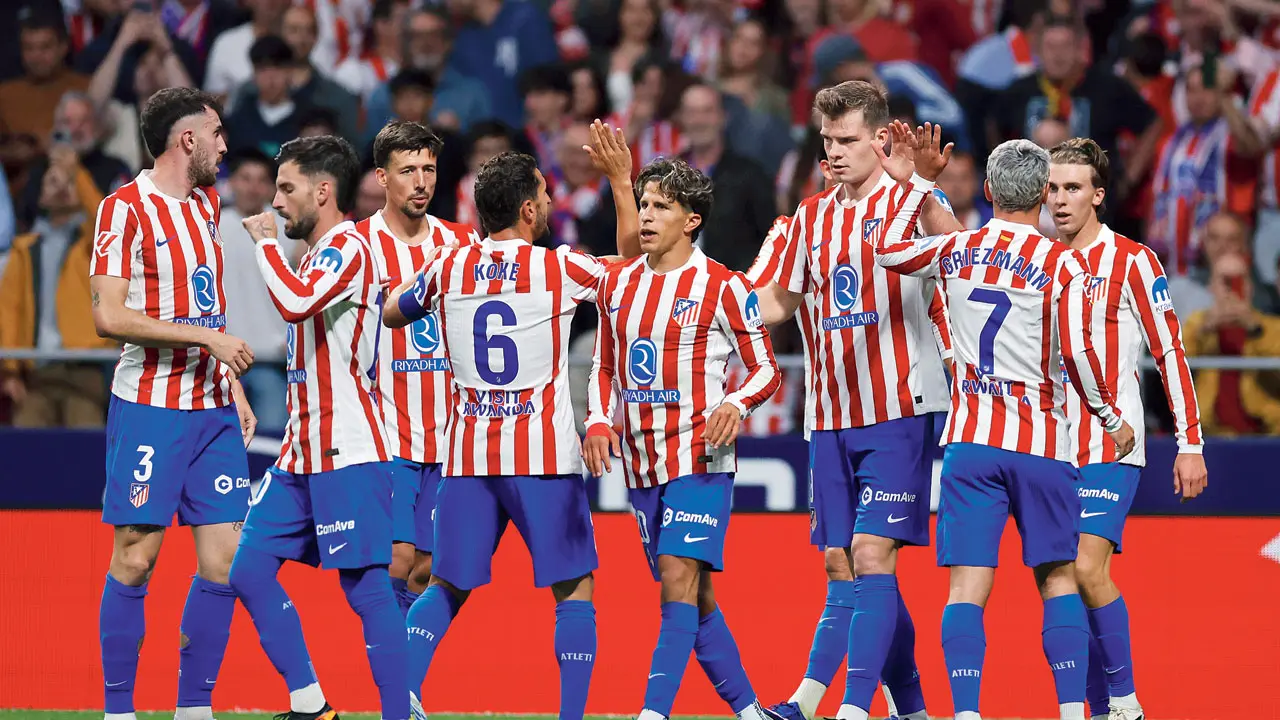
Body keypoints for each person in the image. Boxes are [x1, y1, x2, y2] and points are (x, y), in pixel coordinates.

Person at [876, 131, 1135, 720]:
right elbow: (1079, 354)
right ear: (1044, 194)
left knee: (966, 588)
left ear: (989, 190)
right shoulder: (1064, 263)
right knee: (1058, 579)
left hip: (970, 443)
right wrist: (1111, 417)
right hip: (1041, 442)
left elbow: (888, 250)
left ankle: (967, 713)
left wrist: (918, 181)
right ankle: (1071, 712)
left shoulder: (956, 248)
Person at [383, 145, 640, 720]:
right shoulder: (560, 267)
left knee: (445, 586)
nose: (548, 203)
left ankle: (401, 701)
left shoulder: (448, 267)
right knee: (574, 589)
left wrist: (427, 288)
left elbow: (395, 311)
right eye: (544, 195)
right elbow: (632, 266)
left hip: (467, 456)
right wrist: (621, 183)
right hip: (542, 458)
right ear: (527, 209)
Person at [750, 80, 959, 720]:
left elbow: (966, 260)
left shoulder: (914, 201)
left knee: (871, 556)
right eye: (827, 140)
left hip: (898, 408)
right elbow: (777, 301)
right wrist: (710, 314)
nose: (834, 152)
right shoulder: (810, 216)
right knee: (846, 567)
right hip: (828, 415)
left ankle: (842, 707)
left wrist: (922, 186)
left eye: (846, 140)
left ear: (881, 137)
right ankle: (913, 709)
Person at [581, 156, 783, 720]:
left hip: (701, 457)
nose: (646, 216)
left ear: (691, 220)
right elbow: (603, 365)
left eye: (661, 207)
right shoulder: (617, 283)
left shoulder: (723, 286)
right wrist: (597, 419)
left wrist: (735, 403)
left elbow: (766, 369)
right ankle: (750, 712)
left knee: (677, 578)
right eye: (644, 204)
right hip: (641, 463)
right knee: (695, 596)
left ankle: (653, 713)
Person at [88, 86, 257, 720]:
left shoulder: (207, 204)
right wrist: (205, 339)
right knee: (136, 559)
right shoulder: (122, 210)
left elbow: (205, 305)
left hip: (213, 409)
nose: (224, 144)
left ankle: (193, 710)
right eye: (215, 132)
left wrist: (231, 381)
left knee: (226, 563)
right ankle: (119, 712)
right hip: (150, 407)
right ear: (187, 139)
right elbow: (108, 316)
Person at [231, 135, 407, 720]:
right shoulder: (317, 254)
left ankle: (398, 715)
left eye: (287, 188)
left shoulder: (347, 247)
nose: (276, 201)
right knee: (249, 570)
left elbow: (294, 302)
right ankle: (311, 706)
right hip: (301, 449)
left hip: (347, 446)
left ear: (324, 191)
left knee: (367, 589)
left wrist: (263, 243)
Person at [1047, 137, 1208, 720]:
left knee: (1087, 567)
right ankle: (1097, 709)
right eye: (1052, 188)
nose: (1059, 199)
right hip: (1049, 447)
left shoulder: (1133, 261)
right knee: (1065, 583)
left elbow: (1170, 351)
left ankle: (1126, 702)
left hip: (1112, 444)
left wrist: (1190, 444)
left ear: (1098, 195)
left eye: (1072, 188)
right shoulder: (1039, 261)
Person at [355, 121, 481, 617]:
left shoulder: (462, 243)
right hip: (386, 433)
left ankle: (402, 663)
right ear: (382, 177)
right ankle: (390, 664)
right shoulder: (357, 245)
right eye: (408, 170)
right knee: (395, 559)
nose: (421, 181)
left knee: (429, 569)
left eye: (428, 169)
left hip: (449, 438)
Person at [0, 140, 115, 428]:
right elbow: (9, 311)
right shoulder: (24, 250)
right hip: (38, 370)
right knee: (26, 442)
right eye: (53, 181)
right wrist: (10, 371)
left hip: (86, 368)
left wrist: (76, 171)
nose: (62, 187)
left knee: (87, 441)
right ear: (40, 196)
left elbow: (105, 220)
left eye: (69, 182)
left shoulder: (92, 245)